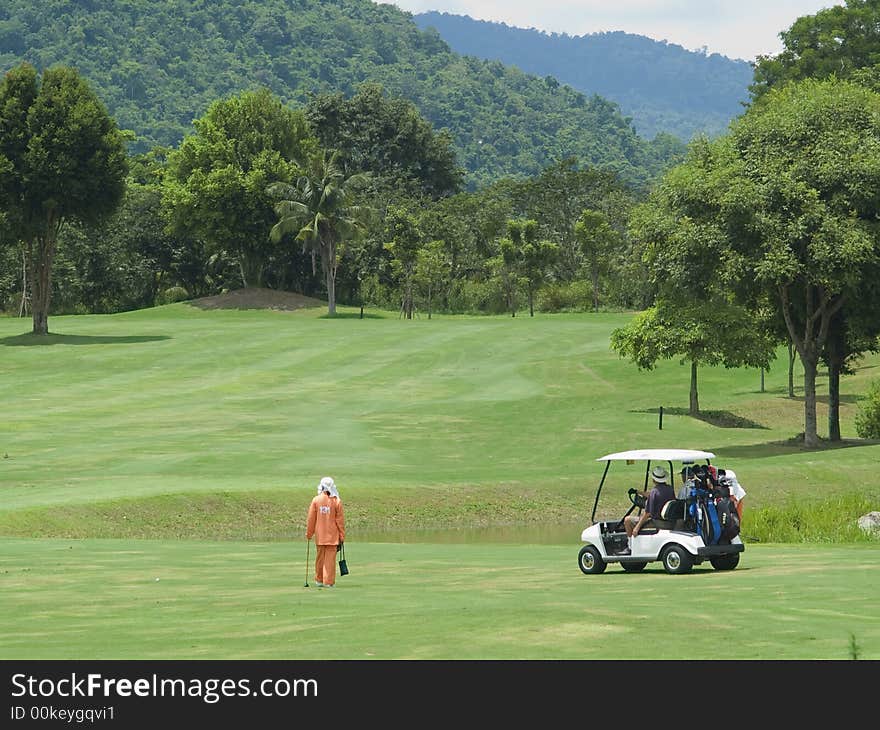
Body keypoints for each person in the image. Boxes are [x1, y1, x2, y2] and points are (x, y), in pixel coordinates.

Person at [623, 465, 675, 552]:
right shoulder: (669, 489)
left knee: (627, 520)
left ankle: (630, 546)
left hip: (657, 522)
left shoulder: (655, 492)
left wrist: (637, 527)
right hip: (668, 521)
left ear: (654, 479)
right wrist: (637, 492)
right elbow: (651, 495)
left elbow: (648, 513)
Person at [306, 476, 346, 588]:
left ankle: (319, 580)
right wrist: (342, 535)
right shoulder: (337, 501)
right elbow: (340, 521)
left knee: (320, 559)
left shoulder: (316, 500)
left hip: (320, 536)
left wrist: (309, 533)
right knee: (330, 561)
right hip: (333, 537)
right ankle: (328, 582)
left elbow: (311, 519)